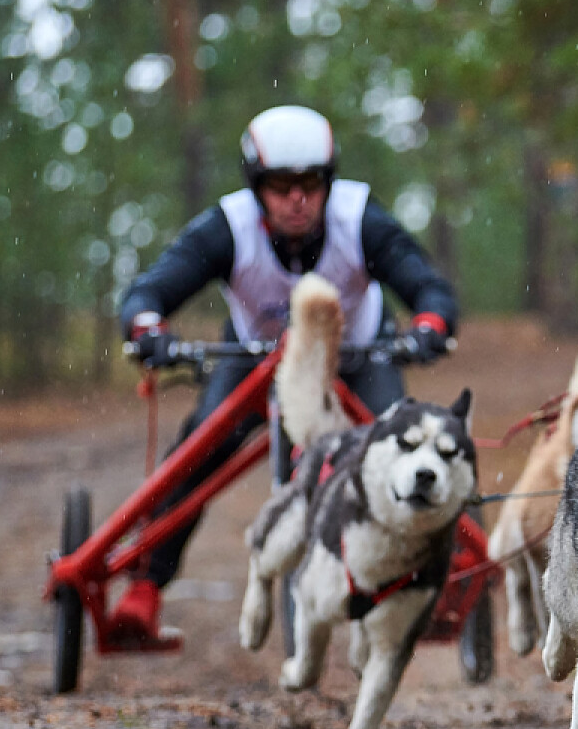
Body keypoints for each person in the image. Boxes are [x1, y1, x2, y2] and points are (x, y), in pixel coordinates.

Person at [108, 105, 460, 645]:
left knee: (403, 447)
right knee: (200, 448)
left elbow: (428, 288)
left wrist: (429, 325)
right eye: (280, 186)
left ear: (328, 183)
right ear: (257, 187)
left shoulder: (360, 218)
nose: (297, 198)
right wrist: (148, 328)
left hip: (357, 356)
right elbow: (149, 293)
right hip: (255, 360)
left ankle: (441, 577)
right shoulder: (227, 227)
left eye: (310, 184)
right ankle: (144, 587)